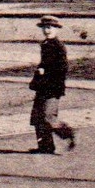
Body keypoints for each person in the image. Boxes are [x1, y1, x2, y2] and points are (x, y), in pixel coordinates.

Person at [29, 15, 77, 154]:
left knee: (48, 117)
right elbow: (43, 64)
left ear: (56, 29)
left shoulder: (58, 46)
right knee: (37, 118)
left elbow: (62, 68)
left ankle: (68, 134)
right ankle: (45, 146)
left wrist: (46, 73)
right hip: (43, 86)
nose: (47, 30)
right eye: (44, 28)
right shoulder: (45, 44)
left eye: (50, 28)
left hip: (52, 87)